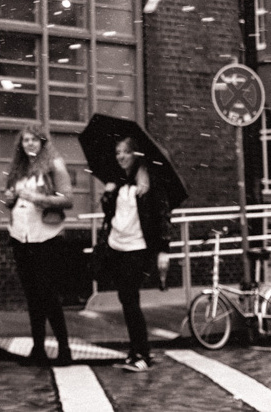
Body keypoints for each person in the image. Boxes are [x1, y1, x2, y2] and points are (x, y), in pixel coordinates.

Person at [2, 124, 74, 367]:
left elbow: (67, 199)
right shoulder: (18, 169)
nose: (29, 144)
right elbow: (9, 198)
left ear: (43, 142)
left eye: (34, 140)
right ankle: (38, 348)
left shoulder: (54, 164)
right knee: (32, 296)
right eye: (25, 140)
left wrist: (40, 199)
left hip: (46, 237)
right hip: (21, 237)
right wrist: (9, 200)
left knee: (48, 295)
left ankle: (64, 349)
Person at [100, 136, 172, 372]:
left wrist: (164, 249)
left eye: (126, 152)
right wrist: (107, 194)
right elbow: (110, 213)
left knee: (130, 298)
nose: (120, 156)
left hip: (138, 248)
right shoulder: (118, 180)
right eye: (118, 152)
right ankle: (135, 351)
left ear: (136, 154)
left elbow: (162, 215)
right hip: (117, 246)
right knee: (126, 299)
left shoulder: (149, 182)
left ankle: (143, 353)